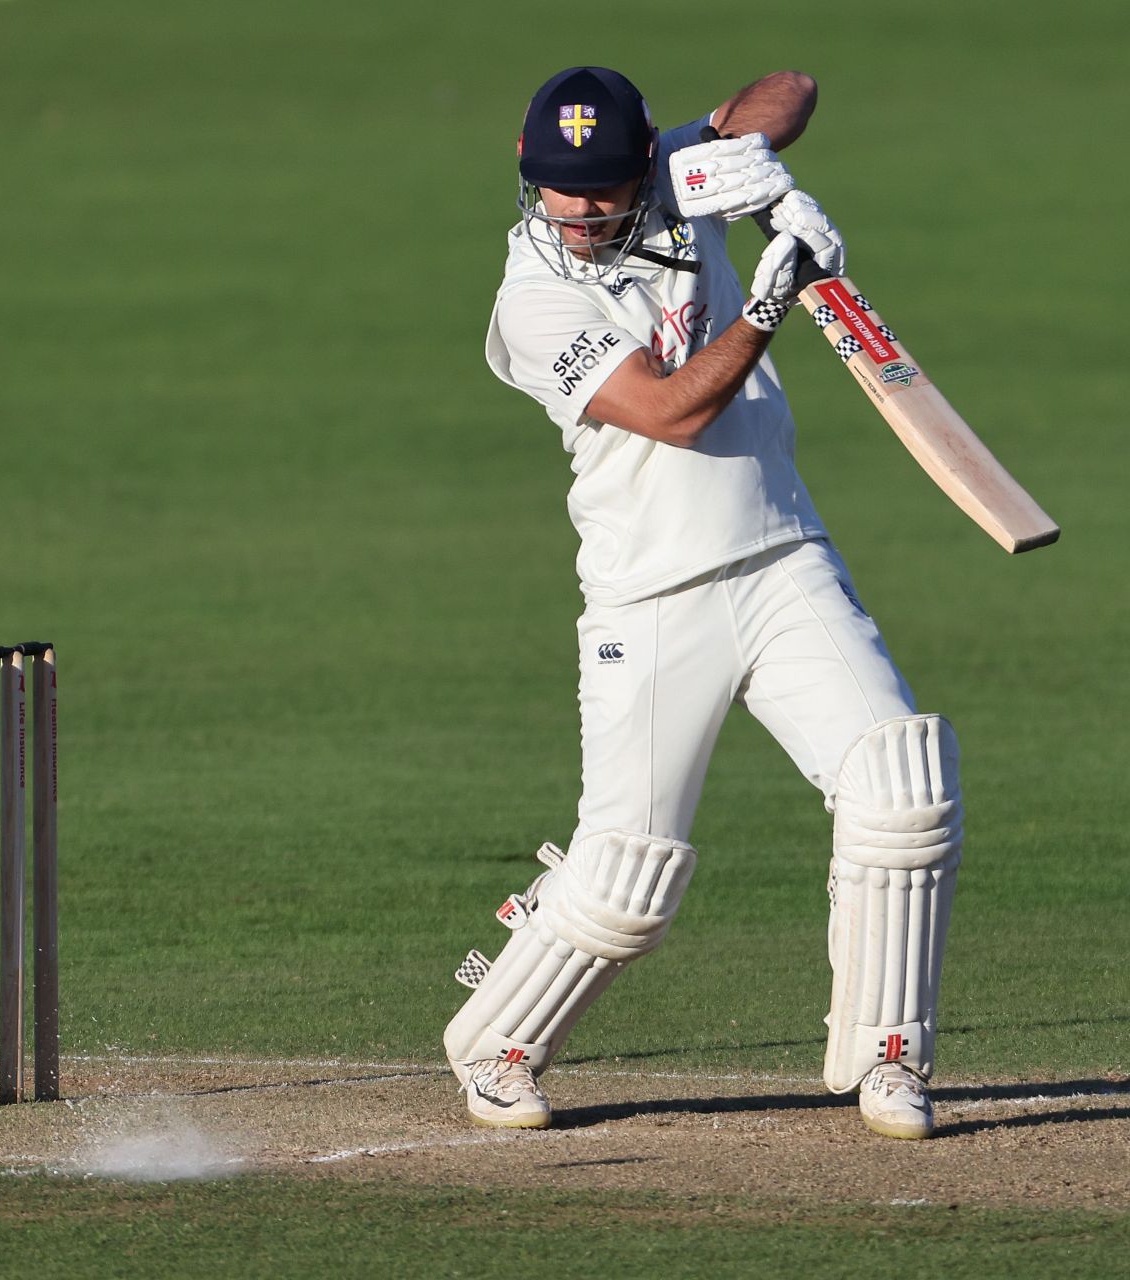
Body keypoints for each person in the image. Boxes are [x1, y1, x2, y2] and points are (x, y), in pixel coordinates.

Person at [444, 67, 960, 1141]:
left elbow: (793, 88)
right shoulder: (533, 297)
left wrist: (749, 162)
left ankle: (888, 1056)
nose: (578, 213)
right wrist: (774, 291)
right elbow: (676, 411)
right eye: (555, 190)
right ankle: (495, 1039)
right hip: (650, 597)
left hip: (782, 559)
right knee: (630, 881)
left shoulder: (676, 180)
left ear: (643, 167)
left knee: (902, 784)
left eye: (600, 189)